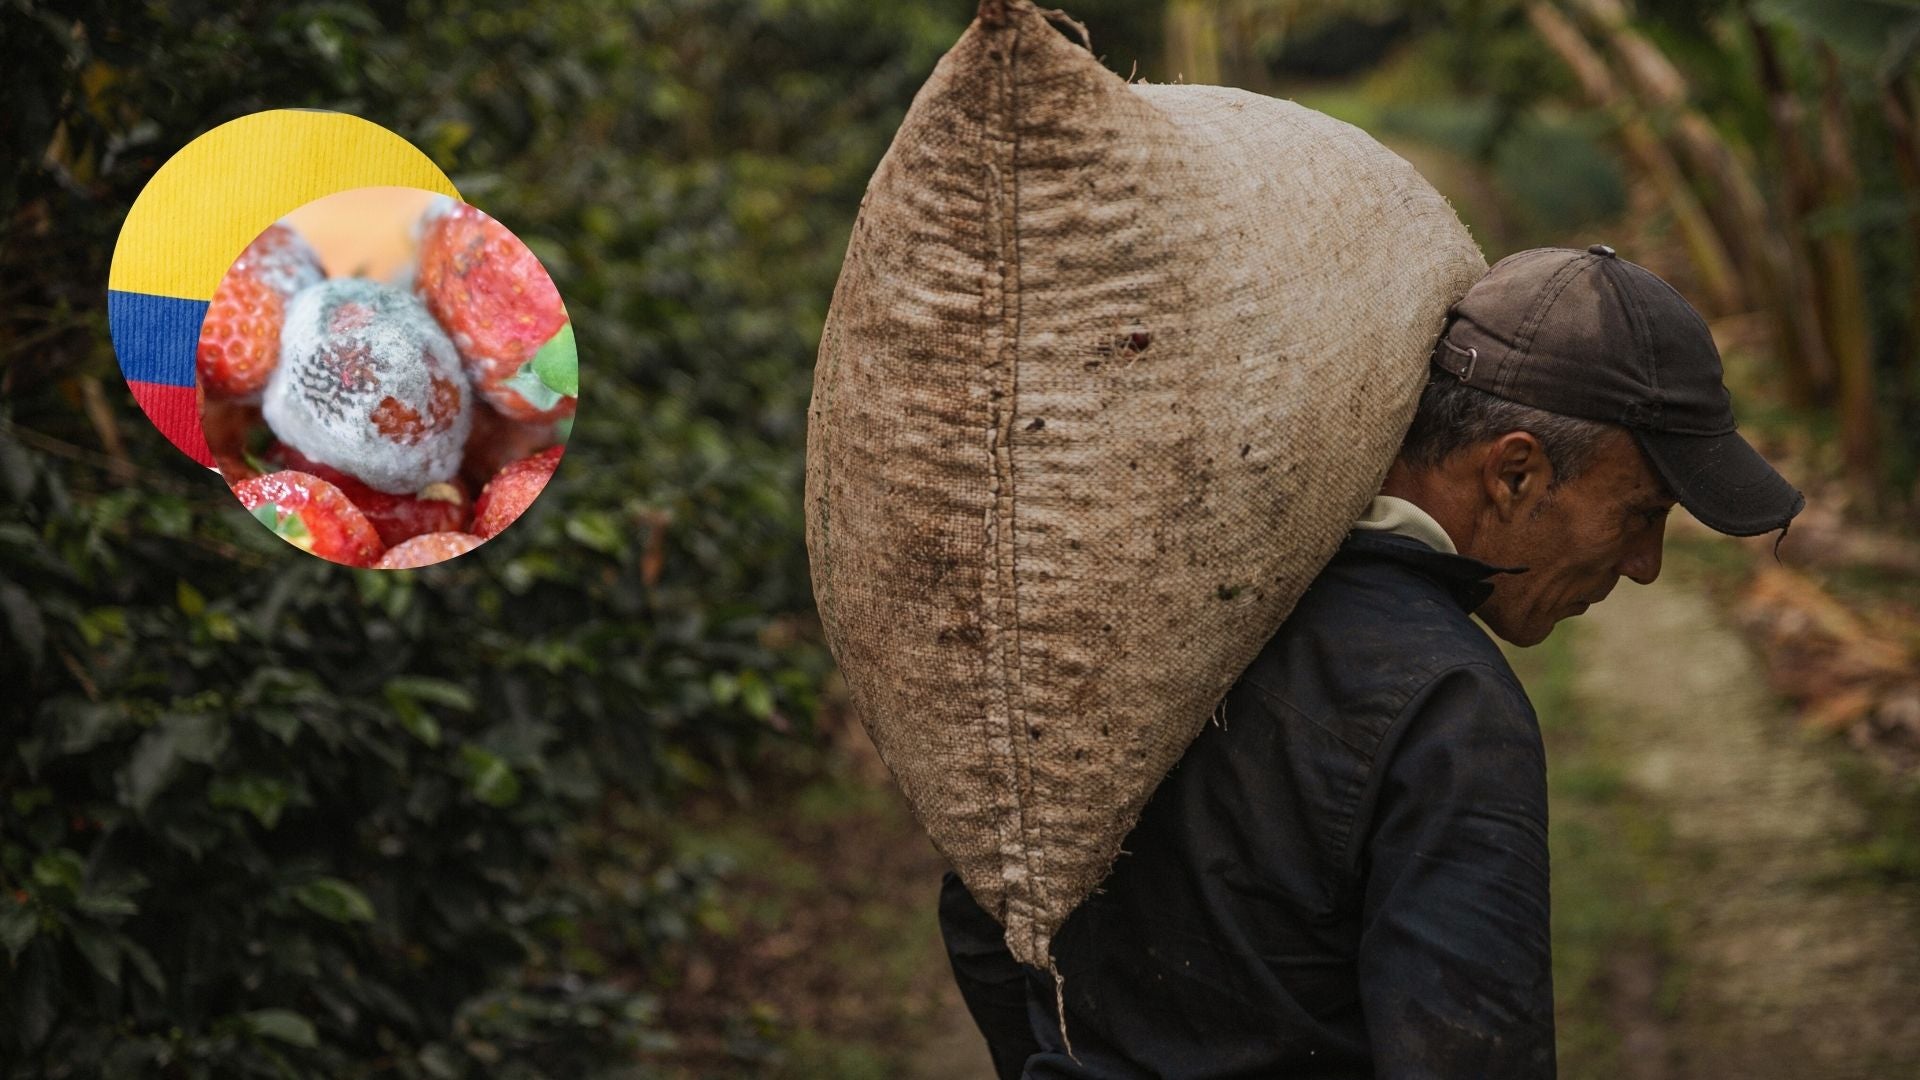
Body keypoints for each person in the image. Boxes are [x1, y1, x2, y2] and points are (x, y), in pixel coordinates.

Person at [937, 245, 1806, 1079]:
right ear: (1514, 473)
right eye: (1642, 514)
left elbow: (983, 913)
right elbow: (1467, 1057)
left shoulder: (1143, 599)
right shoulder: (1449, 707)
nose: (1646, 564)